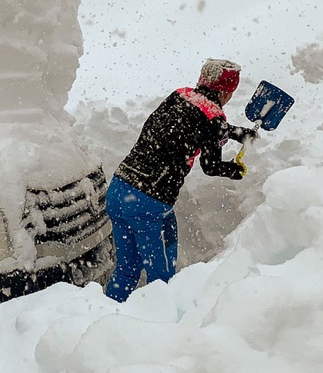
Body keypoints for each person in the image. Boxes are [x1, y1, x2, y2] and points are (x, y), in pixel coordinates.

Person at [104, 58, 257, 301]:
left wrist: (238, 133)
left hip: (119, 190)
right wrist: (234, 170)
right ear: (226, 91)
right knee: (161, 279)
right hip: (148, 203)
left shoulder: (179, 95)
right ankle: (161, 323)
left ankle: (106, 312)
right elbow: (211, 166)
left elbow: (192, 123)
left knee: (127, 270)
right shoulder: (213, 118)